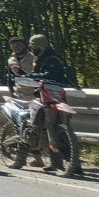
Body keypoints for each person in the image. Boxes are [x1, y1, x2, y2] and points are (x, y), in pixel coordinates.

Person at [27, 34, 79, 175]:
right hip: (48, 96)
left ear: (39, 45)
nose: (30, 47)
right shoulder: (40, 58)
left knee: (51, 126)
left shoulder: (52, 59)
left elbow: (49, 75)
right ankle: (57, 164)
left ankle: (69, 164)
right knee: (51, 128)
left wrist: (32, 76)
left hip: (53, 97)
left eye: (32, 45)